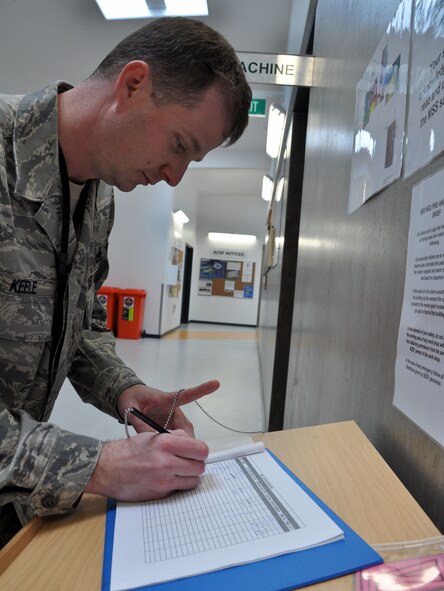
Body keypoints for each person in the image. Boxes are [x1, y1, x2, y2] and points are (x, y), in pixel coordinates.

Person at [0, 16, 252, 548]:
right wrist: (97, 466)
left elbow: (80, 322)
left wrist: (127, 392)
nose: (175, 176)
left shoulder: (99, 198)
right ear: (133, 85)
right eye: (180, 145)